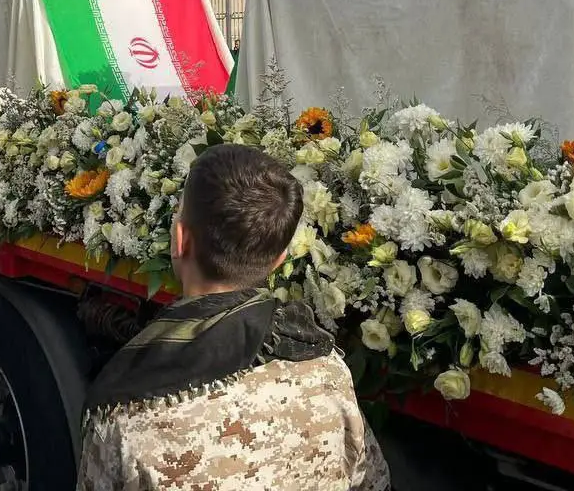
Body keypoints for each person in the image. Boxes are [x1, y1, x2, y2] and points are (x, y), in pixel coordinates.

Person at [77, 143, 391, 491]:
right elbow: (370, 480)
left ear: (180, 241)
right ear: (280, 259)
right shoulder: (328, 370)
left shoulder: (124, 413)